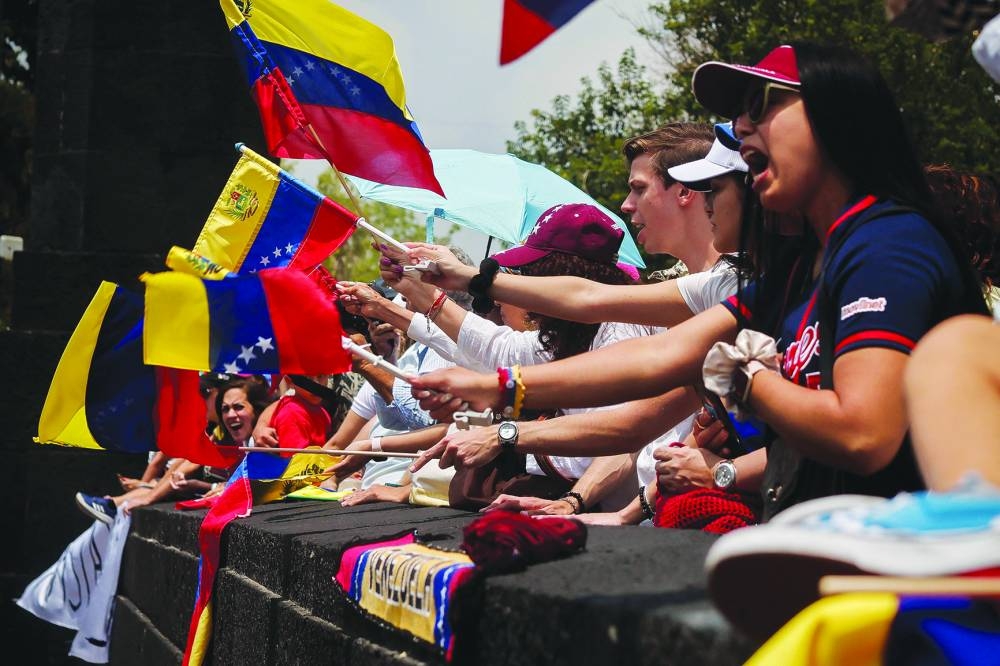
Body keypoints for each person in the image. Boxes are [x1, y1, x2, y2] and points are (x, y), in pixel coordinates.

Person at [410, 42, 989, 517]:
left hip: (915, 574)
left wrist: (743, 378)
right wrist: (502, 388)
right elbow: (662, 355)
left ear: (838, 114)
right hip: (831, 542)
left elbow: (862, 434)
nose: (742, 126)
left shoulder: (886, 243)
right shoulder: (797, 267)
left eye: (762, 105)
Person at [75, 377, 272, 523]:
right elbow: (183, 465)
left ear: (256, 408)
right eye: (225, 409)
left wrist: (150, 493)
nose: (230, 414)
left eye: (238, 407)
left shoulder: (265, 437)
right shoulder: (220, 433)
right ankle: (115, 504)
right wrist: (147, 492)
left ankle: (115, 504)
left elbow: (261, 485)